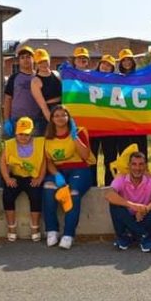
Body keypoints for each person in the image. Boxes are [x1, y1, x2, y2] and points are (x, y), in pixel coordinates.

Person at [42, 105, 93, 250]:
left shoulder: (80, 131)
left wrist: (75, 137)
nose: (60, 118)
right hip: (58, 170)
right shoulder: (47, 137)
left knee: (73, 193)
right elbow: (49, 161)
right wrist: (56, 174)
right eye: (56, 115)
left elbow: (85, 156)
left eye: (63, 115)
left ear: (68, 117)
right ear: (52, 119)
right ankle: (52, 230)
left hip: (80, 169)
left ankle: (69, 234)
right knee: (48, 188)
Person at [106, 151, 151, 252]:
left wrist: (146, 209)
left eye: (141, 164)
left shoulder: (150, 179)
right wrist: (132, 205)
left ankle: (129, 238)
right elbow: (109, 195)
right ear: (129, 166)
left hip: (143, 218)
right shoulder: (121, 178)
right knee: (114, 204)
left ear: (145, 166)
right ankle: (144, 237)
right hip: (126, 219)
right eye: (134, 164)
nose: (137, 168)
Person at [0, 117, 45, 242]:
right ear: (15, 133)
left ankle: (35, 227)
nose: (23, 137)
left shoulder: (40, 143)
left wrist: (40, 178)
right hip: (16, 176)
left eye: (26, 134)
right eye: (20, 134)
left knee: (36, 195)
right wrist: (7, 178)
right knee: (8, 195)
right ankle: (11, 227)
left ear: (31, 133)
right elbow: (2, 162)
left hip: (33, 177)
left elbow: (44, 162)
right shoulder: (9, 144)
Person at [89, 55, 121, 186]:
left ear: (112, 69)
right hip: (92, 125)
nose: (105, 67)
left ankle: (110, 185)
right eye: (104, 64)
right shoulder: (89, 78)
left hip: (109, 126)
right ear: (99, 64)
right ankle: (91, 185)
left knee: (110, 158)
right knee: (92, 158)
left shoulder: (116, 82)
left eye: (109, 65)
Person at [3, 45, 42, 137]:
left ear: (33, 59)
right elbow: (8, 99)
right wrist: (7, 120)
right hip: (17, 120)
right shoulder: (13, 78)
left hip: (36, 120)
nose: (25, 60)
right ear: (19, 61)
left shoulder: (40, 77)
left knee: (35, 149)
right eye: (22, 57)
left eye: (28, 57)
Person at [117, 49, 149, 156]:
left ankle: (143, 171)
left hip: (138, 120)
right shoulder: (115, 79)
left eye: (129, 60)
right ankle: (125, 173)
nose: (127, 62)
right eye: (124, 60)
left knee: (141, 148)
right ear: (120, 63)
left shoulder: (141, 76)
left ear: (133, 61)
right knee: (124, 150)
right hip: (122, 120)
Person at [31, 48, 62, 136]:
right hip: (48, 113)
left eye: (45, 61)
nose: (44, 64)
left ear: (49, 60)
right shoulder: (35, 81)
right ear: (36, 64)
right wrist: (53, 123)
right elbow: (43, 106)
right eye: (40, 62)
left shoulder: (57, 74)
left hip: (61, 109)